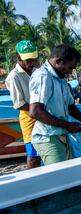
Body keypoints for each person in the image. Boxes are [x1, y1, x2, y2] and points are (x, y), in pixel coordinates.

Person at [29, 45, 81, 165]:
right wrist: (68, 125)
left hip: (61, 134)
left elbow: (70, 106)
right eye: (70, 67)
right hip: (48, 137)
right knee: (58, 177)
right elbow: (35, 111)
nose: (70, 72)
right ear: (58, 61)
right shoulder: (43, 76)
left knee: (69, 173)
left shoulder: (61, 78)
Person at [5, 40, 41, 169]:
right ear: (18, 57)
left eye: (33, 59)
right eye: (28, 60)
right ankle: (32, 179)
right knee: (33, 153)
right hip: (29, 116)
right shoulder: (14, 77)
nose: (31, 63)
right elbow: (19, 104)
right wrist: (40, 111)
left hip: (43, 113)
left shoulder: (37, 70)